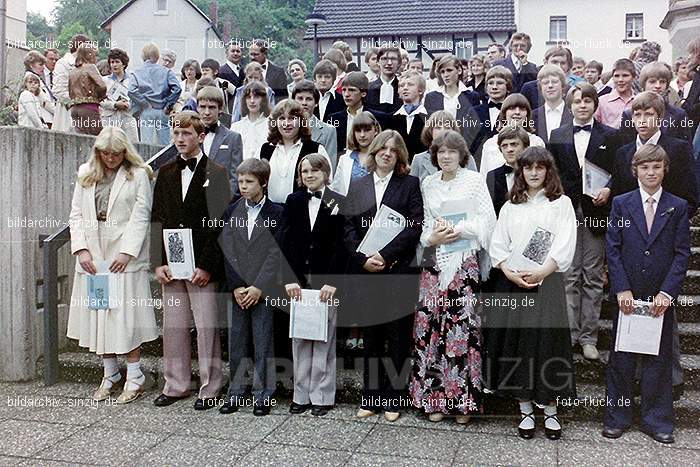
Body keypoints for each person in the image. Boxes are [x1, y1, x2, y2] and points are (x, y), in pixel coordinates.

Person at [486, 146, 577, 440]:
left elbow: (565, 243)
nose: (534, 172)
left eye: (540, 167)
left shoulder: (561, 204)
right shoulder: (511, 207)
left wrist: (543, 271)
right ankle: (525, 409)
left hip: (546, 283)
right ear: (521, 172)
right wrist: (509, 271)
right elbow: (498, 244)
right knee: (520, 346)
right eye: (528, 168)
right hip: (514, 283)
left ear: (548, 171)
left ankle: (550, 411)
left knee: (547, 346)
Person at [603, 144, 690, 445]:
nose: (650, 172)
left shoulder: (677, 206)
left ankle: (657, 420)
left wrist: (667, 292)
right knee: (621, 358)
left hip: (659, 295)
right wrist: (621, 288)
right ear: (635, 170)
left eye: (656, 167)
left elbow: (681, 254)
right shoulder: (621, 204)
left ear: (665, 169)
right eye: (644, 167)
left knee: (658, 358)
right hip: (628, 293)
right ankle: (618, 416)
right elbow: (612, 249)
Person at [409, 130, 495, 424]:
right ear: (434, 156)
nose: (446, 156)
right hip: (434, 261)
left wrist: (461, 230)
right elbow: (423, 226)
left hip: (463, 260)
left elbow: (488, 222)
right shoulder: (428, 184)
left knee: (461, 330)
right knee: (431, 327)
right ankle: (433, 399)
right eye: (440, 151)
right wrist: (431, 237)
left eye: (451, 151)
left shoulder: (474, 181)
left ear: (461, 155)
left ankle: (462, 403)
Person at [67, 127, 158, 403]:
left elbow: (141, 216)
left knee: (126, 318)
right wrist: (81, 249)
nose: (110, 158)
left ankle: (135, 376)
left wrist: (127, 252)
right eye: (105, 153)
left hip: (124, 258)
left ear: (124, 151)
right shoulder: (86, 172)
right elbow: (77, 214)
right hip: (94, 257)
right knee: (100, 315)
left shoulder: (139, 174)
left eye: (116, 153)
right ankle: (110, 374)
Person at [151, 111, 231, 410]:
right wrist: (158, 262)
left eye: (186, 134)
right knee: (173, 327)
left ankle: (211, 386)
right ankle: (175, 384)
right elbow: (156, 218)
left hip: (201, 265)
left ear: (201, 136)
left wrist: (208, 266)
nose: (181, 139)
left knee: (207, 326)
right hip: (172, 264)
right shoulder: (166, 171)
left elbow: (220, 223)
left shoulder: (217, 172)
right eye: (176, 134)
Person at [344, 129, 423, 422]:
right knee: (372, 337)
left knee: (398, 337)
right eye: (382, 149)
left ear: (400, 155)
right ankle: (372, 395)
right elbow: (348, 228)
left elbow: (415, 226)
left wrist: (386, 255)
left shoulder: (410, 184)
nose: (387, 153)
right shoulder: (358, 185)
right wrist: (363, 258)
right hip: (366, 272)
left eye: (393, 149)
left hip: (397, 270)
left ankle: (393, 398)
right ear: (374, 152)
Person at [547, 82, 618, 360]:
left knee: (592, 276)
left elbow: (618, 170)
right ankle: (569, 335)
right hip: (566, 213)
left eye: (588, 100)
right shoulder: (558, 134)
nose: (583, 105)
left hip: (596, 212)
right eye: (577, 101)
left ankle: (589, 337)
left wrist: (608, 189)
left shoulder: (610, 135)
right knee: (568, 275)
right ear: (570, 105)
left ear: (595, 104)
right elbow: (551, 172)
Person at [281, 153, 346, 417]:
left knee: (323, 340)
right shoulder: (293, 200)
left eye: (315, 171)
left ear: (326, 173)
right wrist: (287, 279)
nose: (309, 175)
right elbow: (283, 240)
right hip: (297, 282)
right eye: (304, 171)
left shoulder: (338, 202)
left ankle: (322, 395)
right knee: (300, 339)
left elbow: (343, 245)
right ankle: (300, 394)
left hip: (324, 284)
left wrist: (333, 281)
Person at [218, 158, 283, 416]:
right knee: (237, 342)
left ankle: (263, 393)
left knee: (263, 339)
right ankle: (236, 391)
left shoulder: (277, 213)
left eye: (249, 182)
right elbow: (229, 250)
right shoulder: (232, 211)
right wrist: (237, 286)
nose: (243, 186)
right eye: (241, 181)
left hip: (262, 290)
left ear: (263, 183)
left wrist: (258, 287)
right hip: (239, 289)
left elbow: (275, 253)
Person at [611, 91, 698, 216]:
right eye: (637, 115)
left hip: (668, 226)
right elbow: (618, 197)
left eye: (648, 114)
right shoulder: (623, 153)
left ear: (660, 117)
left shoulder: (679, 149)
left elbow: (690, 198)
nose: (642, 120)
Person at [260, 100, 331, 203]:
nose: (286, 123)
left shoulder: (315, 149)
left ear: (301, 121)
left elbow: (327, 183)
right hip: (271, 213)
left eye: (292, 118)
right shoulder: (265, 149)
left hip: (303, 212)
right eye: (282, 118)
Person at [619, 62, 693, 144]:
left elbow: (685, 147)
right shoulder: (629, 114)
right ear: (643, 84)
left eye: (662, 82)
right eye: (652, 82)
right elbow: (625, 148)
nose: (658, 86)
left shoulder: (679, 114)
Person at [128, 42, 181, 146]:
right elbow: (177, 88)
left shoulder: (136, 72)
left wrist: (144, 103)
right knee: (164, 144)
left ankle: (148, 162)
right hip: (162, 110)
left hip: (147, 110)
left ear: (143, 56)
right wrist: (168, 104)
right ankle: (165, 161)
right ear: (157, 57)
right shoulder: (167, 72)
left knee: (146, 144)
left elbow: (131, 91)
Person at [479, 93, 545, 175]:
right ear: (504, 113)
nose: (517, 112)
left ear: (527, 114)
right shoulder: (490, 144)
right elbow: (484, 175)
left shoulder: (537, 142)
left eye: (522, 109)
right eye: (512, 108)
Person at [424, 55, 481, 147]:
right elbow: (429, 128)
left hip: (464, 146)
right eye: (442, 72)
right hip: (438, 147)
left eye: (449, 70)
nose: (445, 75)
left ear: (459, 70)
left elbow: (474, 127)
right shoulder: (431, 97)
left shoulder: (472, 96)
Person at [197, 86, 244, 196]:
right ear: (197, 108)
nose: (207, 112)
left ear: (220, 109)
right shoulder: (189, 136)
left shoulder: (233, 138)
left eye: (212, 107)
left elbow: (235, 175)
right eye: (203, 107)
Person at [410, 111, 477, 181]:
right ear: (430, 131)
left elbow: (475, 185)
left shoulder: (467, 159)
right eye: (438, 127)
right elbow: (411, 190)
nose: (443, 131)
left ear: (454, 131)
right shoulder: (419, 160)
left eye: (447, 127)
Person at [331, 111, 381, 196]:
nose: (362, 135)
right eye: (358, 131)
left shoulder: (382, 157)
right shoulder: (345, 159)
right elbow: (337, 190)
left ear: (375, 130)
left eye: (367, 130)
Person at [292, 80, 338, 169]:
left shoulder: (328, 130)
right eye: (300, 98)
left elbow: (330, 164)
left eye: (309, 99)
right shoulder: (286, 127)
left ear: (316, 103)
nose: (304, 103)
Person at [486, 125, 530, 216]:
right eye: (504, 146)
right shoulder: (492, 176)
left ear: (526, 147)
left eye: (514, 144)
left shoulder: (535, 173)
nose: (509, 149)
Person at [52, 34, 90, 132]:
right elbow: (58, 90)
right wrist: (79, 100)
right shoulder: (63, 63)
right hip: (67, 112)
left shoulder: (87, 65)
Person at [472, 65, 513, 155]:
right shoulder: (474, 111)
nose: (494, 87)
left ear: (508, 86)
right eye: (490, 83)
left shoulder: (514, 112)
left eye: (499, 83)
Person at [101, 48, 139, 143]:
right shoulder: (104, 81)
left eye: (117, 62)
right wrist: (114, 104)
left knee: (131, 147)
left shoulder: (133, 80)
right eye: (112, 62)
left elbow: (139, 100)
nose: (114, 65)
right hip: (109, 119)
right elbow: (100, 101)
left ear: (124, 64)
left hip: (127, 118)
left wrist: (128, 105)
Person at [68, 43, 107, 136]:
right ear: (89, 54)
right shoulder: (90, 67)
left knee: (80, 139)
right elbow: (102, 86)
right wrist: (100, 97)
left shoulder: (73, 71)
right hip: (89, 107)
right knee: (97, 138)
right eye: (95, 55)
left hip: (74, 109)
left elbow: (69, 91)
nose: (96, 58)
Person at [389, 71, 428, 161]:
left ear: (421, 90)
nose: (405, 88)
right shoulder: (390, 119)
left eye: (410, 84)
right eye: (401, 86)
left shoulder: (430, 118)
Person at [532, 64, 573, 143]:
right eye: (545, 83)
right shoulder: (532, 116)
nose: (550, 86)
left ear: (563, 85)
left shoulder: (573, 114)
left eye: (554, 82)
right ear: (541, 87)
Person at [231, 81, 271, 161]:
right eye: (249, 97)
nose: (252, 101)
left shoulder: (270, 125)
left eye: (256, 97)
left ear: (263, 100)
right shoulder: (236, 127)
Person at [594, 58, 636, 129]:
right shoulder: (602, 101)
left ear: (633, 77)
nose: (620, 80)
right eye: (616, 76)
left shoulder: (638, 101)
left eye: (625, 76)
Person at [365, 47, 402, 114]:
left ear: (399, 63)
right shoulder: (368, 88)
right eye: (384, 59)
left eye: (393, 59)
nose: (389, 63)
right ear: (378, 62)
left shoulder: (403, 88)